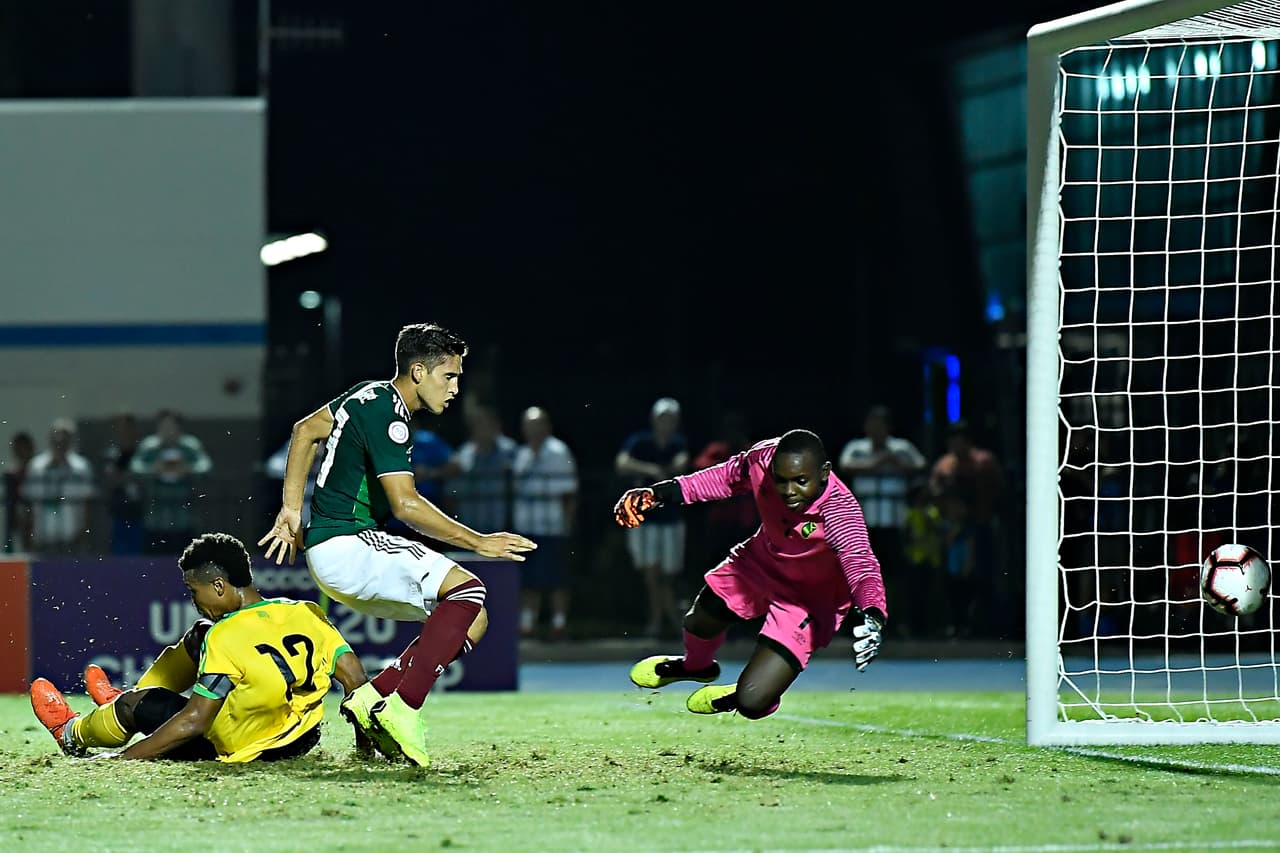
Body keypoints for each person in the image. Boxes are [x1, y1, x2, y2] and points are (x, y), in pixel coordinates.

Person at [257, 322, 536, 767]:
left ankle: (376, 696)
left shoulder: (368, 394)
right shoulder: (390, 415)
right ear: (419, 372)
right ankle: (404, 708)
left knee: (473, 619)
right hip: (348, 544)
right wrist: (477, 541)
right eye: (450, 376)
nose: (456, 388)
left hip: (334, 551)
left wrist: (292, 508)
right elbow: (405, 505)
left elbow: (305, 429)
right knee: (469, 589)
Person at [617, 429, 887, 720]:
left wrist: (873, 613)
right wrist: (660, 493)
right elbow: (723, 478)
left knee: (752, 703)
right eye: (781, 480)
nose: (788, 491)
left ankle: (744, 694)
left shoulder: (840, 509)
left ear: (824, 472)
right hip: (761, 564)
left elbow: (861, 563)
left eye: (800, 481)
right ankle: (696, 667)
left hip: (809, 600)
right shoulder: (762, 458)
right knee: (701, 618)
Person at [28, 532, 370, 762]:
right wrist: (364, 751)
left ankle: (73, 731)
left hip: (250, 750)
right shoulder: (303, 612)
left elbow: (193, 722)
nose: (194, 600)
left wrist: (122, 761)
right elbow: (355, 680)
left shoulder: (227, 636)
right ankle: (122, 701)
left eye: (195, 591)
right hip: (302, 738)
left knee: (137, 706)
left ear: (219, 586)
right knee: (199, 634)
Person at [837, 405, 926, 635]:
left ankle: (896, 623)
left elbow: (920, 465)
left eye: (881, 425)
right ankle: (856, 623)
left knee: (895, 575)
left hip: (893, 521)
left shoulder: (901, 448)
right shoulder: (857, 448)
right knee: (859, 573)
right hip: (863, 524)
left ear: (889, 427)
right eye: (872, 424)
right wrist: (877, 463)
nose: (876, 429)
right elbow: (845, 465)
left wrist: (895, 462)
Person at [615, 397, 690, 638]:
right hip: (644, 520)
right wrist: (651, 471)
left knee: (668, 577)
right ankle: (658, 622)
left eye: (670, 418)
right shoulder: (640, 441)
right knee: (651, 575)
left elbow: (682, 464)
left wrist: (666, 472)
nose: (665, 423)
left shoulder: (678, 443)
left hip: (670, 520)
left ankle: (671, 623)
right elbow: (622, 463)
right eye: (661, 418)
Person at [511, 406, 579, 640]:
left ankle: (559, 623)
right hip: (526, 527)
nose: (533, 430)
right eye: (529, 425)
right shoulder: (521, 454)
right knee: (529, 579)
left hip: (553, 526)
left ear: (547, 426)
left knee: (557, 578)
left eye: (537, 424)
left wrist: (567, 525)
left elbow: (570, 492)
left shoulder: (559, 452)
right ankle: (528, 623)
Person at [131, 410, 214, 554]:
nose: (168, 431)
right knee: (155, 561)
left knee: (186, 561)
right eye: (164, 427)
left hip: (184, 518)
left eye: (171, 427)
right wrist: (153, 470)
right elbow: (135, 467)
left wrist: (188, 469)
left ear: (179, 428)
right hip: (156, 519)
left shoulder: (189, 446)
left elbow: (206, 466)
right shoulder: (150, 447)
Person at [23, 418, 95, 555]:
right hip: (43, 537)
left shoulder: (81, 467)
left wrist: (84, 533)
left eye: (64, 439)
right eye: (56, 437)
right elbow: (29, 503)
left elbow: (88, 504)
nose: (59, 442)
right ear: (49, 439)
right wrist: (29, 535)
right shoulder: (36, 467)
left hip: (71, 537)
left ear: (71, 441)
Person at [2, 431, 36, 553]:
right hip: (16, 517)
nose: (21, 452)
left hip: (35, 517)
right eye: (17, 448)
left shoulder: (38, 471)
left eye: (23, 448)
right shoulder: (11, 473)